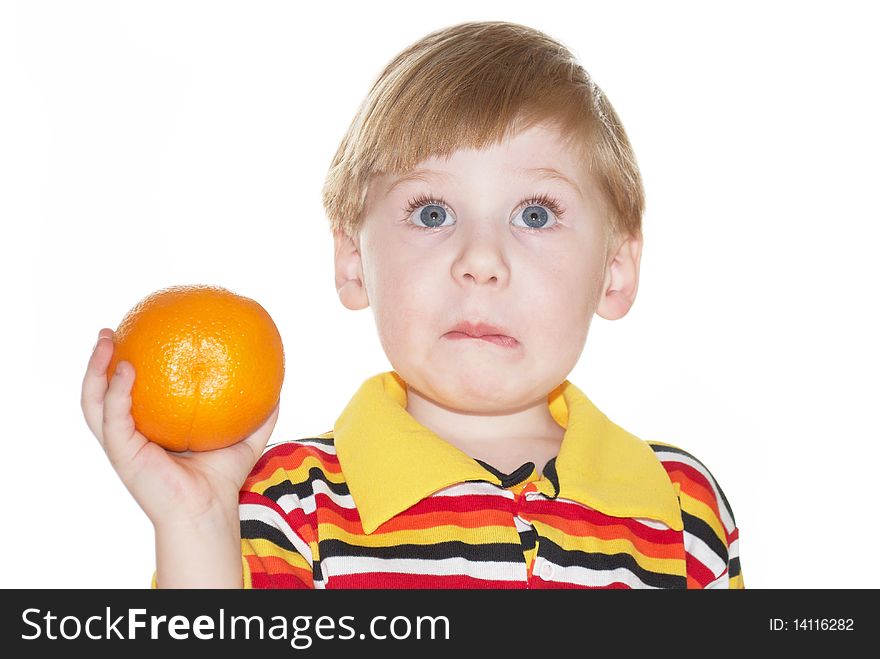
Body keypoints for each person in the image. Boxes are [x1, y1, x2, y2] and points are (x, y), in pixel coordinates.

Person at [81, 20, 743, 589]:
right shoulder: (289, 504)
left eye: (535, 213)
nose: (481, 260)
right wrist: (196, 523)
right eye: (432, 212)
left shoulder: (683, 511)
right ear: (351, 257)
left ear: (617, 269)